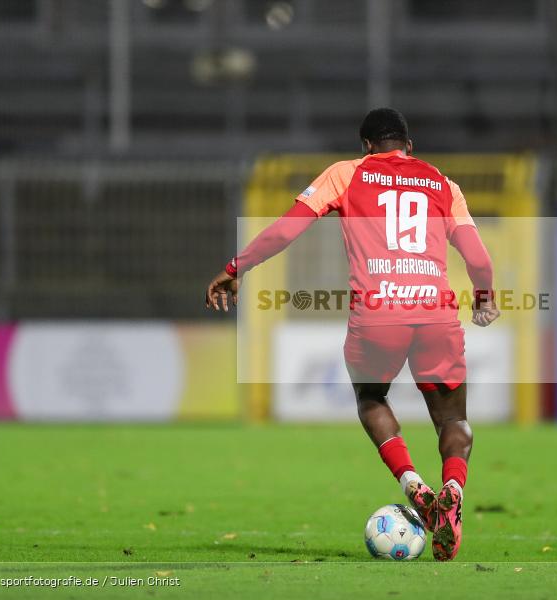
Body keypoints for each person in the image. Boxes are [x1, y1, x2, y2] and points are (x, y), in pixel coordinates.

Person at [205, 108, 498, 561]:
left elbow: (287, 230)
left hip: (377, 315)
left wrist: (234, 268)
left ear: (366, 145)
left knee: (372, 399)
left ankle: (413, 484)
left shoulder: (347, 174)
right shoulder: (443, 183)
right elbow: (478, 258)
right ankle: (453, 487)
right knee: (453, 420)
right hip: (436, 314)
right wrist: (483, 296)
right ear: (409, 145)